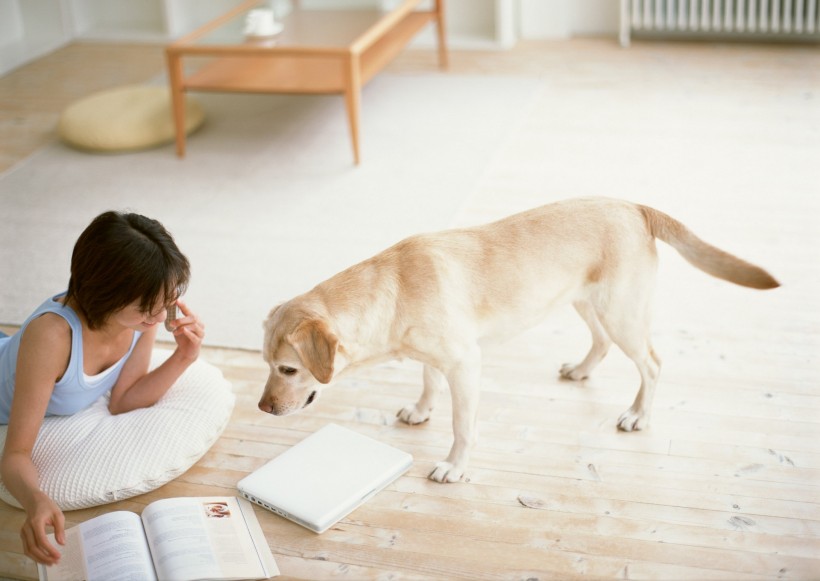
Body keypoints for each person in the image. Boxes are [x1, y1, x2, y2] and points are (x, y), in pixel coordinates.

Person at [0, 211, 205, 566]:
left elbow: (124, 400)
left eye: (168, 297)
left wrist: (184, 356)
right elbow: (16, 452)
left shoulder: (144, 317)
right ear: (105, 292)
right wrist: (35, 499)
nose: (161, 315)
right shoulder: (52, 337)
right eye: (148, 306)